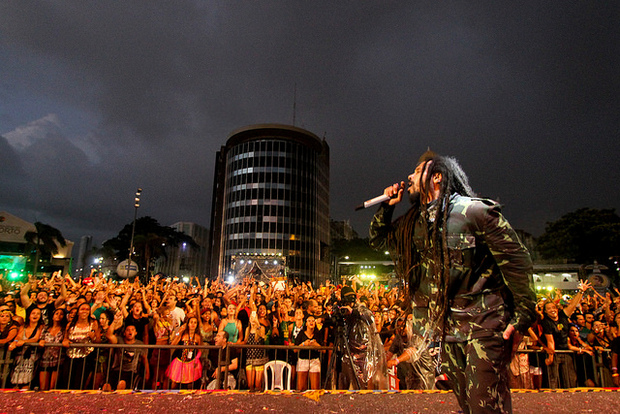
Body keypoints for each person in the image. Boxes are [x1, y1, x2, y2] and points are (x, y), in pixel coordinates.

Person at [370, 150, 537, 413]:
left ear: (436, 177)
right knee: (468, 405)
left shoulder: (475, 211)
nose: (409, 177)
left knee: (486, 405)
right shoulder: (415, 223)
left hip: (484, 324)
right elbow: (379, 240)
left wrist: (524, 315)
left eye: (416, 171)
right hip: (447, 331)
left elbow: (516, 260)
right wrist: (387, 207)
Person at [9, 307, 44, 388]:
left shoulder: (41, 326)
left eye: (38, 313)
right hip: (20, 357)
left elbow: (35, 339)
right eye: (33, 313)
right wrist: (15, 342)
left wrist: (24, 342)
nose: (35, 315)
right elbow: (18, 337)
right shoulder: (23, 326)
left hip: (32, 358)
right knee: (16, 381)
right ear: (29, 315)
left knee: (27, 381)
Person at [38, 308, 67, 390]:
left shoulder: (64, 329)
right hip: (45, 357)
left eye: (61, 314)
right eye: (56, 313)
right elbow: (40, 340)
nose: (59, 315)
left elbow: (65, 340)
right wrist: (41, 342)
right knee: (43, 386)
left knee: (52, 387)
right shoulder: (46, 328)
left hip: (58, 358)